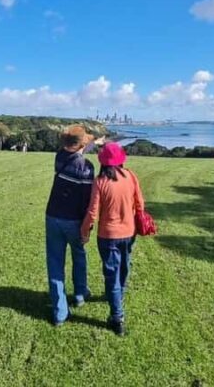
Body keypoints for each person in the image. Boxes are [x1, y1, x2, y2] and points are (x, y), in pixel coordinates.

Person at [81, 142, 145, 336]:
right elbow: (140, 203)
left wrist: (85, 231)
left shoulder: (100, 182)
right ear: (121, 161)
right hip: (129, 232)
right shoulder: (131, 176)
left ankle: (116, 317)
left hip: (108, 235)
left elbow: (92, 212)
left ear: (103, 162)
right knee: (124, 265)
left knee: (111, 273)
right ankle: (118, 295)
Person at [45, 125, 101, 326]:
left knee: (55, 262)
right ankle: (79, 293)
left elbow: (77, 150)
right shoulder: (87, 168)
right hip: (74, 221)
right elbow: (87, 202)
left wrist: (90, 142)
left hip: (53, 217)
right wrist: (88, 229)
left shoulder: (59, 157)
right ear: (81, 144)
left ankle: (60, 312)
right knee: (79, 256)